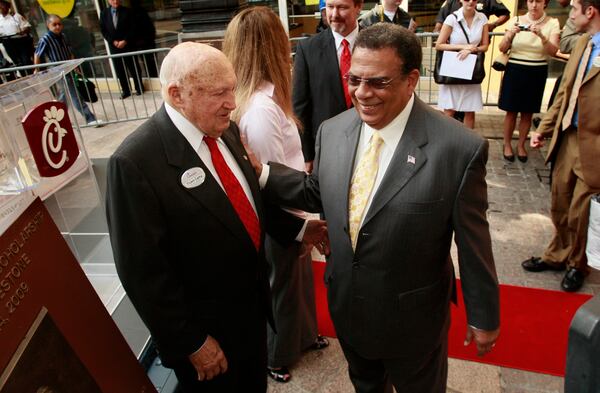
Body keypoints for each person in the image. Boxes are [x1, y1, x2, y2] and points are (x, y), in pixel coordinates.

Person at [257, 24, 500, 393]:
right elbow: (317, 192)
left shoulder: (458, 149)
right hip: (349, 309)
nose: (361, 93)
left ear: (411, 79)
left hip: (414, 324)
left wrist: (483, 316)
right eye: (354, 79)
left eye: (378, 82)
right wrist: (260, 174)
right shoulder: (332, 131)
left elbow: (474, 243)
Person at [105, 42, 327, 393]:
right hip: (206, 338)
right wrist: (191, 342)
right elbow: (143, 272)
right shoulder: (136, 163)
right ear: (178, 94)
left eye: (232, 89)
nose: (233, 102)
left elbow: (246, 202)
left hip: (252, 315)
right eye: (219, 92)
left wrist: (299, 229)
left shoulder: (223, 127)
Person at [223, 6, 329, 383]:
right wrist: (301, 226)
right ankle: (276, 354)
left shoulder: (264, 101)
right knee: (281, 287)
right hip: (282, 217)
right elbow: (270, 180)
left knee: (297, 282)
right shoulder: (261, 110)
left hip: (294, 211)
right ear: (270, 48)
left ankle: (300, 338)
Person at [522, 0, 600, 292]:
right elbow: (565, 91)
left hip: (594, 146)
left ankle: (576, 265)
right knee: (560, 201)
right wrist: (544, 128)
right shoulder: (582, 43)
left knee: (581, 210)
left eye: (574, 10)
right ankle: (556, 254)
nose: (570, 16)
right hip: (567, 135)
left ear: (590, 11)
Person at [293, 0, 363, 173]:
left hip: (369, 142)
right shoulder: (308, 49)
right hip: (327, 150)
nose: (334, 14)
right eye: (330, 7)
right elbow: (300, 106)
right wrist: (307, 154)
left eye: (342, 7)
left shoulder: (377, 44)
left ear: (358, 6)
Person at [498, 0, 559, 163]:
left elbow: (553, 51)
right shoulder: (516, 20)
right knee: (511, 111)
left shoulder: (552, 23)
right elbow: (502, 48)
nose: (534, 5)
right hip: (515, 69)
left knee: (527, 112)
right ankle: (507, 144)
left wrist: (541, 36)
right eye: (531, 1)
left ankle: (521, 145)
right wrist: (510, 34)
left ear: (544, 3)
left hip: (537, 70)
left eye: (538, 1)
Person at [33, 15, 102, 127]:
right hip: (57, 70)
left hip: (67, 68)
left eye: (59, 24)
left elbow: (69, 52)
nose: (57, 27)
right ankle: (90, 118)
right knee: (74, 94)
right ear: (48, 25)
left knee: (63, 97)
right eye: (54, 24)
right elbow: (37, 54)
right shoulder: (45, 39)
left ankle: (58, 120)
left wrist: (74, 66)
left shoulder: (63, 36)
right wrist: (36, 69)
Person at [435, 0, 489, 129]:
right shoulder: (452, 18)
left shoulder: (482, 18)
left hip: (471, 69)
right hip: (454, 67)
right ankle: (447, 144)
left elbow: (485, 46)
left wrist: (471, 49)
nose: (470, 1)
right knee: (449, 111)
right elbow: (439, 44)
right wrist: (463, 47)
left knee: (470, 111)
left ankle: (468, 145)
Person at [100, 0, 144, 99]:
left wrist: (125, 40)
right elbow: (103, 30)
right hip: (114, 47)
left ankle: (139, 88)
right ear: (108, 1)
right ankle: (126, 91)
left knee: (133, 67)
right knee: (120, 70)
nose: (115, 1)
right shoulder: (104, 13)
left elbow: (133, 28)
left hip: (128, 45)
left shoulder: (128, 11)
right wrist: (113, 41)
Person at [434, 0, 510, 33]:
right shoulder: (451, 1)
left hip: (476, 47)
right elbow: (439, 22)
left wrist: (493, 25)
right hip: (452, 46)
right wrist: (438, 34)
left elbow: (505, 14)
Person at [0, 0, 33, 73]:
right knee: (17, 63)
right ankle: (23, 78)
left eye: (3, 5)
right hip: (7, 43)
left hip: (20, 42)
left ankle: (31, 75)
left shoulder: (15, 16)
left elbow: (27, 27)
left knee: (26, 61)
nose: (1, 7)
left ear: (8, 6)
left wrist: (23, 31)